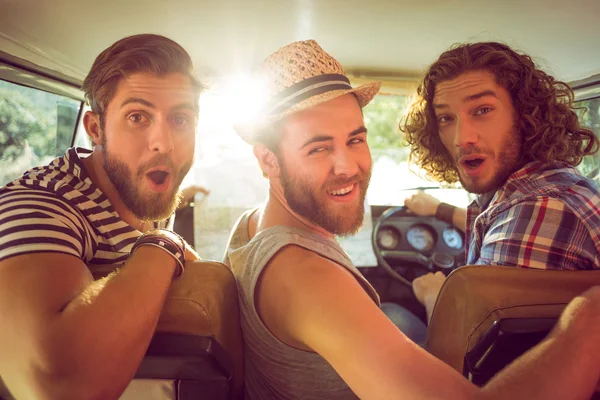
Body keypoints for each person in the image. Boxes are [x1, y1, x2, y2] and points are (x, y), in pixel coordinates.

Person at [224, 39, 600, 400]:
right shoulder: (306, 277)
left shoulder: (253, 224)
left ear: (526, 113)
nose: (348, 167)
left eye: (355, 139)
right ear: (268, 160)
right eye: (318, 147)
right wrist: (586, 319)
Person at [0, 34, 203, 399]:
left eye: (181, 118)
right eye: (137, 117)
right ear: (96, 129)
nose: (164, 143)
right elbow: (56, 386)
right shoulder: (40, 206)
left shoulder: (139, 186)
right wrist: (164, 245)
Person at [401, 42, 600, 322]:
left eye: (482, 110)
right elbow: (489, 222)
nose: (461, 138)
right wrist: (438, 210)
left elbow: (470, 352)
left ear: (526, 115)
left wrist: (435, 295)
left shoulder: (541, 208)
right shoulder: (547, 186)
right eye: (446, 118)